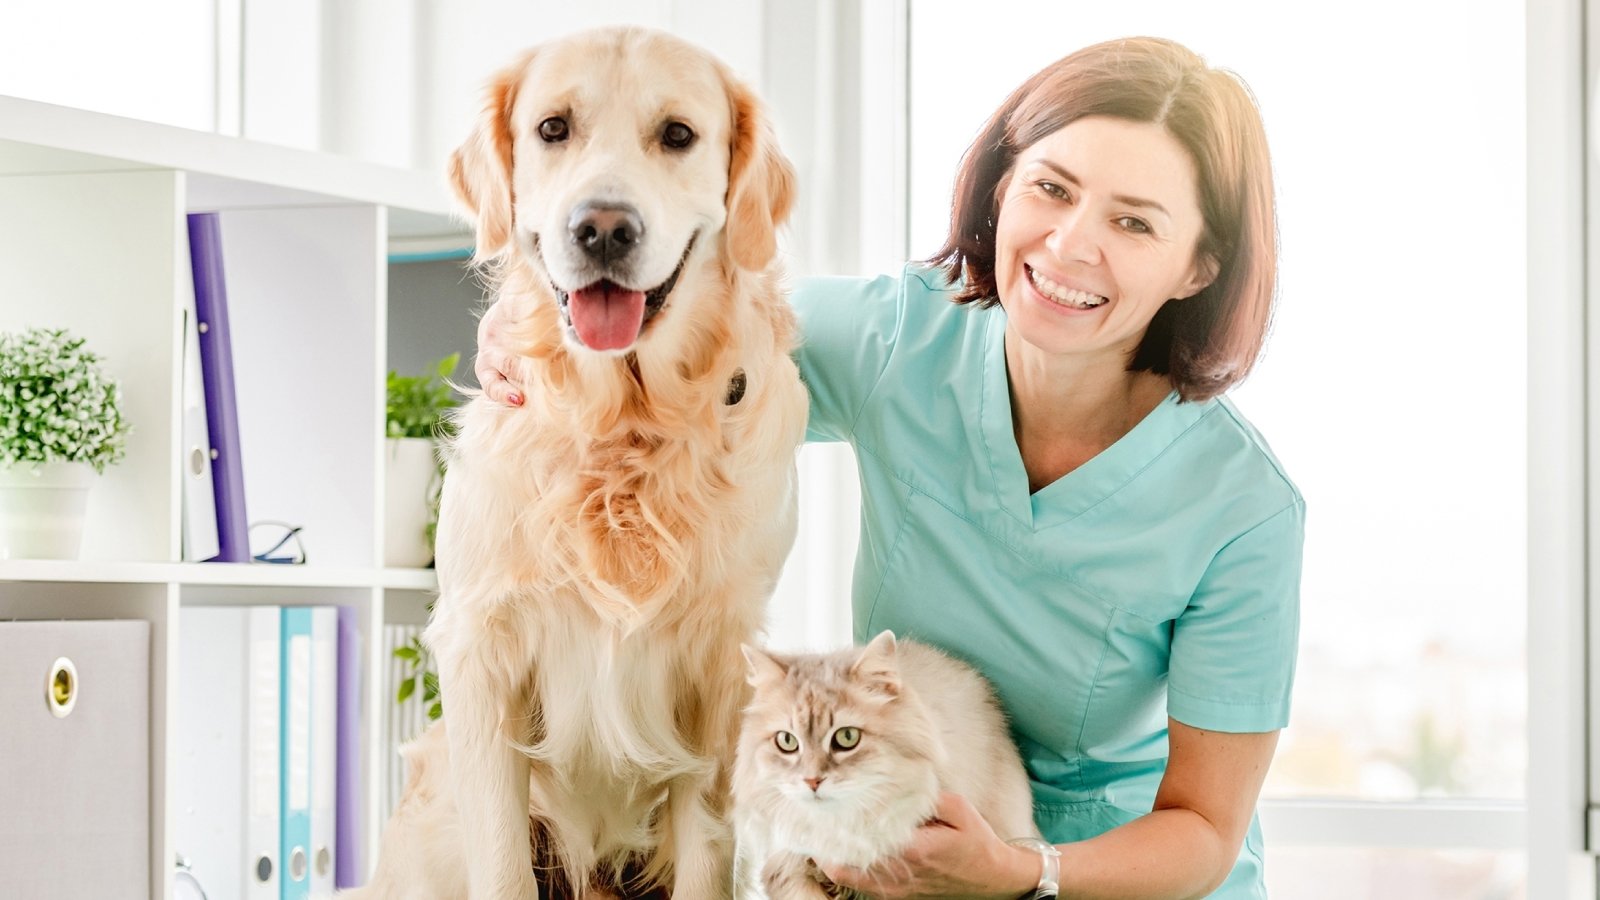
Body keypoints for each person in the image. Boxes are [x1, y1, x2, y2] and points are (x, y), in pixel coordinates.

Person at [476, 36, 1301, 900]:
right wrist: (539, 320)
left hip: (1110, 876)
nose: (1069, 245)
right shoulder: (901, 339)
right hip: (890, 848)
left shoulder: (1243, 508)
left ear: (1200, 265)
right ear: (1002, 187)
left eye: (1133, 222)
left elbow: (1206, 830)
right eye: (1051, 189)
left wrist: (1022, 870)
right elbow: (699, 324)